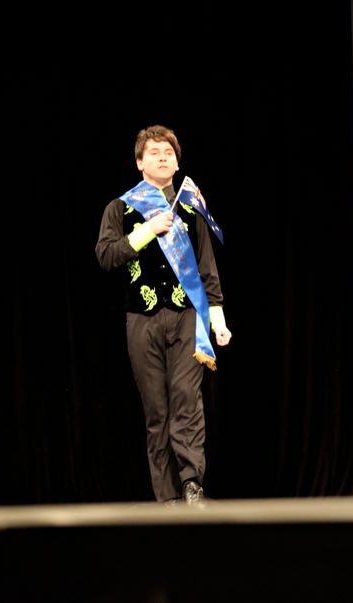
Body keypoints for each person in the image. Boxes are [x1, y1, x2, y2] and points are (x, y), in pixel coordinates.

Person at [95, 125, 231, 506]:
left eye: (168, 153)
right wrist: (147, 231)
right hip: (142, 319)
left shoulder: (190, 205)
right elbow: (105, 255)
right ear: (139, 162)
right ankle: (167, 497)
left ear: (177, 161)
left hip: (187, 316)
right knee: (157, 409)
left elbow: (206, 266)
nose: (162, 158)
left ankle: (192, 484)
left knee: (187, 399)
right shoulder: (121, 207)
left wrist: (218, 319)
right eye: (154, 153)